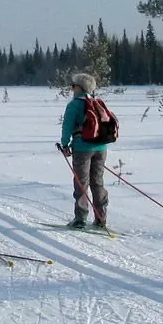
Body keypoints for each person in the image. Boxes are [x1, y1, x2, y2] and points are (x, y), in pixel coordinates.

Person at [56, 73, 109, 230]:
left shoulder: (74, 105)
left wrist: (65, 145)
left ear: (80, 87)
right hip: (101, 148)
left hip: (82, 148)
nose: (72, 88)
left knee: (81, 183)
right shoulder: (97, 103)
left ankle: (80, 219)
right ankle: (101, 218)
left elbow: (67, 127)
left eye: (73, 85)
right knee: (98, 182)